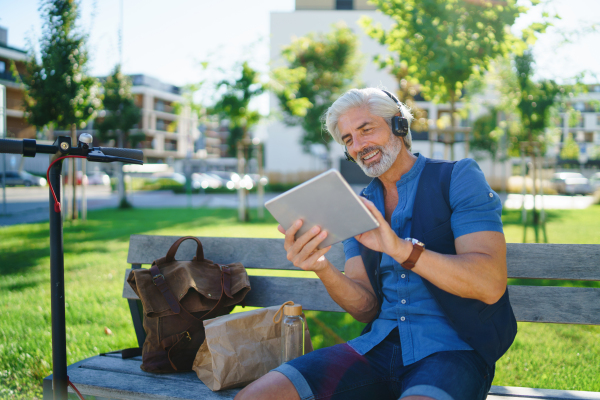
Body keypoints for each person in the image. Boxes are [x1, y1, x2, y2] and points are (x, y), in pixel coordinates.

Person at [235, 88, 517, 400]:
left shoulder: (458, 178)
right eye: (348, 139)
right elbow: (366, 308)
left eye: (366, 129)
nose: (358, 146)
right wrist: (322, 267)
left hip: (454, 350)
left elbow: (489, 284)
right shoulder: (359, 205)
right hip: (377, 348)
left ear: (399, 126)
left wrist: (400, 248)